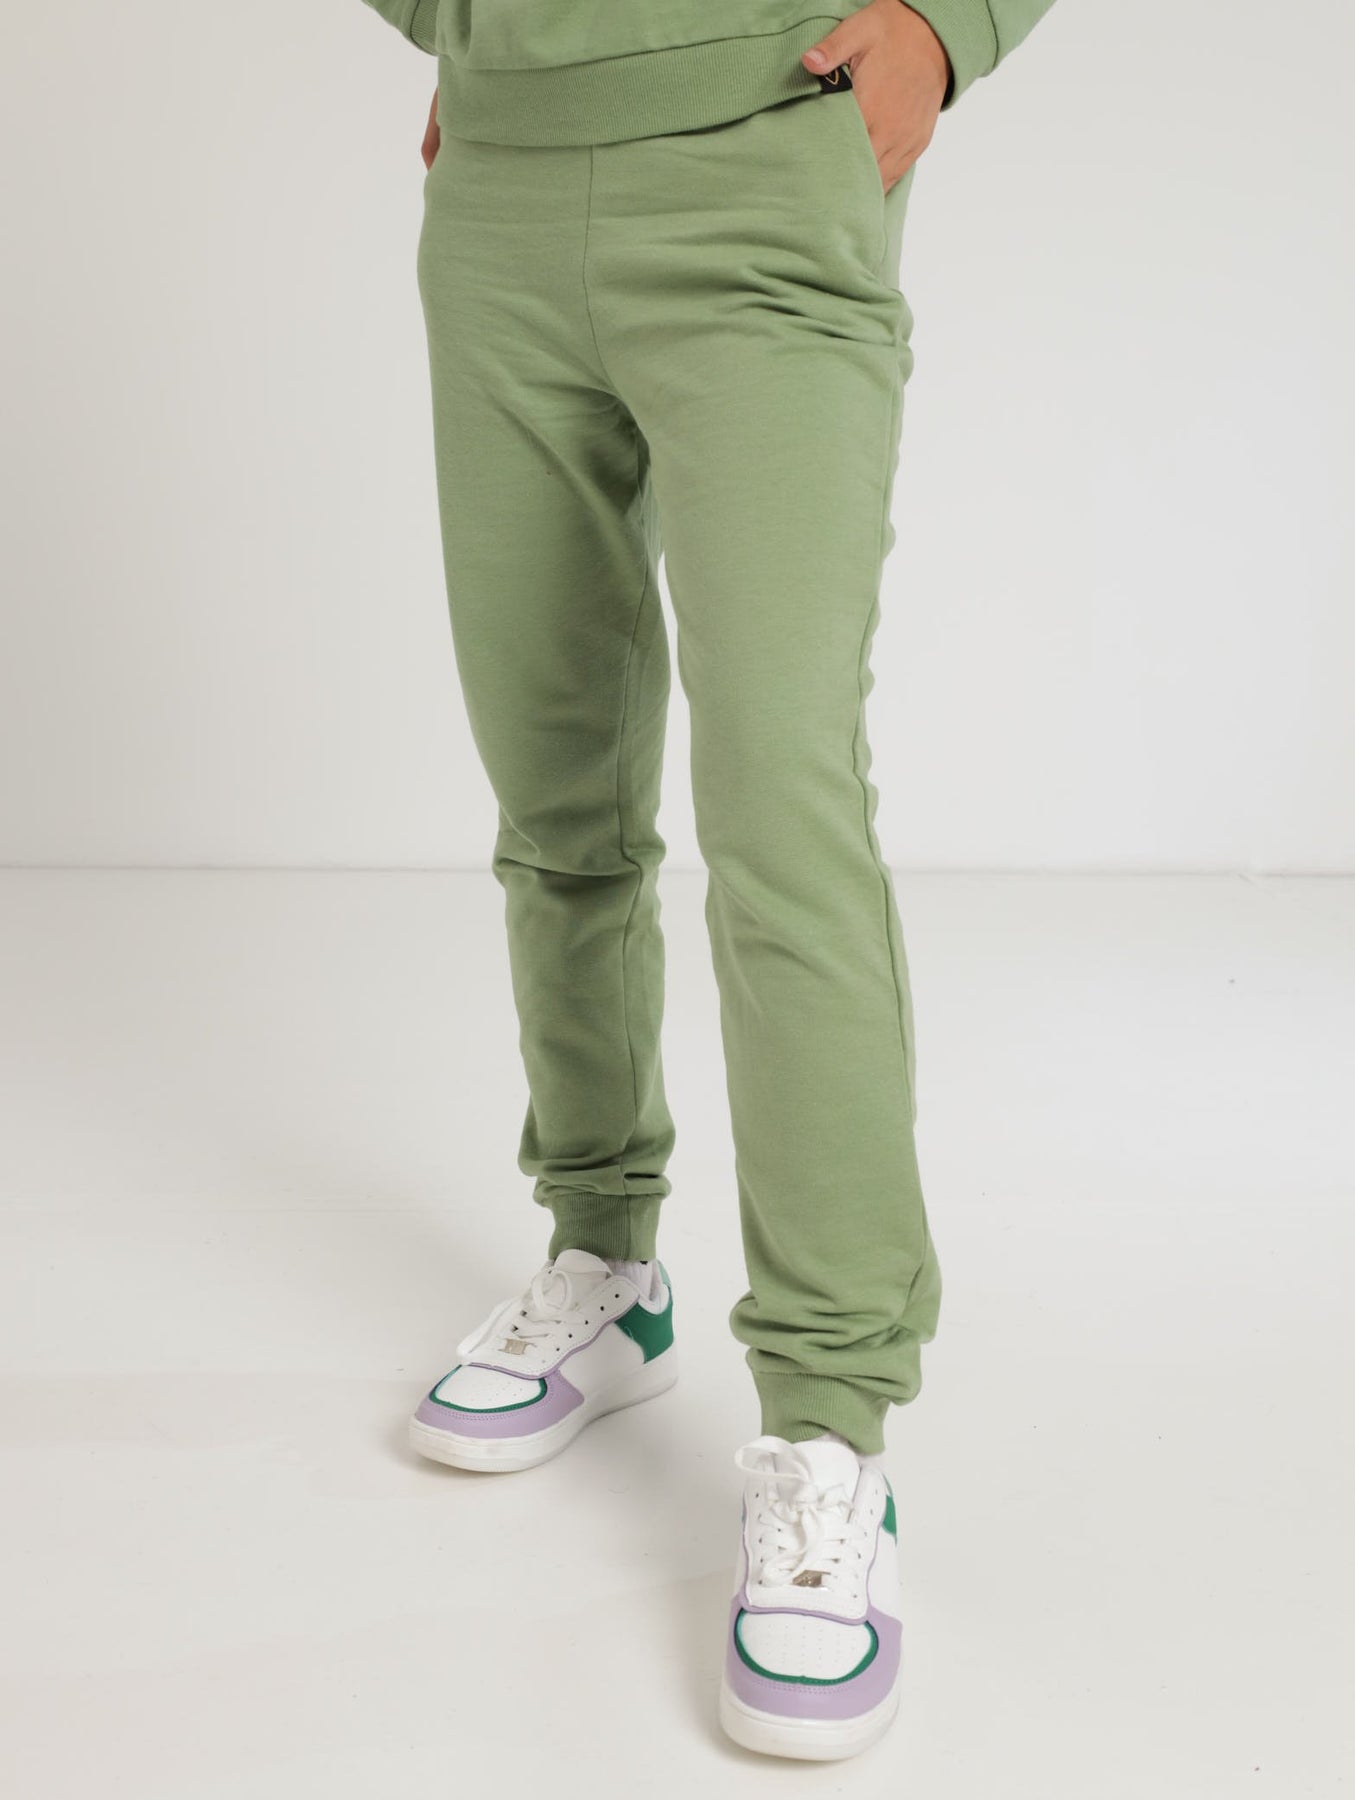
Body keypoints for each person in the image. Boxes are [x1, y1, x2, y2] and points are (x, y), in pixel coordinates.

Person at [362, 0, 1055, 1762]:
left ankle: (830, 1425)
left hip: (766, 162)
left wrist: (954, 25)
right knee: (555, 785)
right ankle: (605, 1255)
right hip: (501, 196)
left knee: (781, 811)